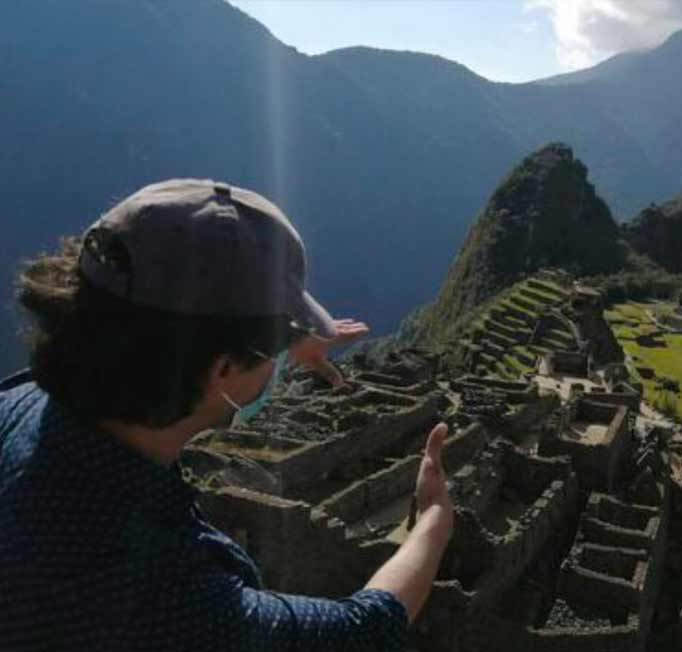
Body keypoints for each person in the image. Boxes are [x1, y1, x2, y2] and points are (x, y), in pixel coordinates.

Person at [0, 179, 454, 651]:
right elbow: (361, 630)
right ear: (223, 366)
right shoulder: (159, 596)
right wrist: (433, 524)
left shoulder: (20, 404)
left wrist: (265, 340)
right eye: (271, 346)